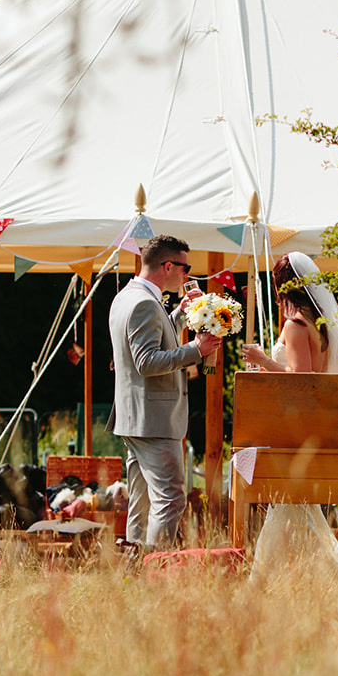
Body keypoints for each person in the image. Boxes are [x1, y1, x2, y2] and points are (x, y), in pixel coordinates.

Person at [242, 252, 338, 574]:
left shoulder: (295, 326)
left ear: (282, 287)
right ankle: (312, 571)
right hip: (319, 426)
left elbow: (301, 379)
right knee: (292, 505)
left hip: (295, 427)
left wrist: (263, 361)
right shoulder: (324, 326)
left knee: (288, 503)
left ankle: (285, 573)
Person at [109, 234, 221, 547]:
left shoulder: (128, 296)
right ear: (168, 266)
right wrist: (195, 349)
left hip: (136, 416)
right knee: (171, 499)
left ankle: (135, 569)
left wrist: (179, 316)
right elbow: (146, 361)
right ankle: (156, 571)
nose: (188, 275)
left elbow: (155, 339)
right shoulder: (145, 302)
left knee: (142, 502)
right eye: (186, 268)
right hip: (154, 418)